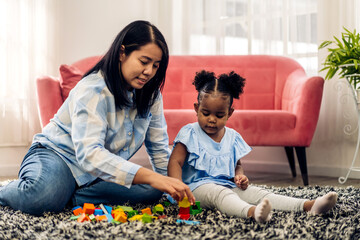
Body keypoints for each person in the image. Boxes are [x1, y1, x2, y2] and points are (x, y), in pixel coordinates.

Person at [0, 20, 194, 216]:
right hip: (60, 156)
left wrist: (171, 188)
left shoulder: (151, 95)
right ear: (122, 53)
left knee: (153, 188)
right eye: (144, 62)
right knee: (41, 198)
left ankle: (67, 195)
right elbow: (90, 154)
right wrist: (152, 177)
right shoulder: (93, 90)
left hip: (98, 173)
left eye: (156, 66)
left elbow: (159, 149)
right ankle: (33, 191)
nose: (149, 72)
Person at [167, 70, 337, 223]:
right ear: (197, 109)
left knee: (258, 193)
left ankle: (308, 205)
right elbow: (175, 162)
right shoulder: (190, 133)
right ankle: (252, 212)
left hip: (226, 184)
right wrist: (178, 188)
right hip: (195, 189)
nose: (212, 119)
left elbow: (237, 164)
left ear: (229, 113)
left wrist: (240, 176)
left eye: (219, 115)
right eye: (206, 113)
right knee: (220, 194)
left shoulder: (232, 137)